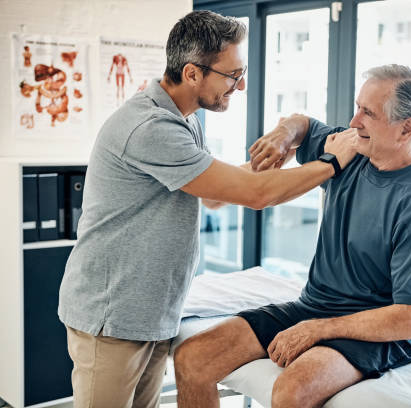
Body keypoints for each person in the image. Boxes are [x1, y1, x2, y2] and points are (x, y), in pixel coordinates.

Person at [57, 10, 357, 408]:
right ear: (193, 73)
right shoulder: (151, 128)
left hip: (152, 311)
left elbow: (214, 194)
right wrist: (332, 163)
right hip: (113, 316)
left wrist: (276, 159)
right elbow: (256, 196)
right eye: (232, 75)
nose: (241, 83)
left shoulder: (185, 118)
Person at [173, 64, 411, 408]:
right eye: (357, 107)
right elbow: (303, 125)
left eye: (368, 113)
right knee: (192, 358)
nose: (354, 122)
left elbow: (408, 320)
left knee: (292, 391)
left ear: (405, 129)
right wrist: (283, 132)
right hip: (315, 307)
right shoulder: (353, 149)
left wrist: (317, 330)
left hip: (378, 330)